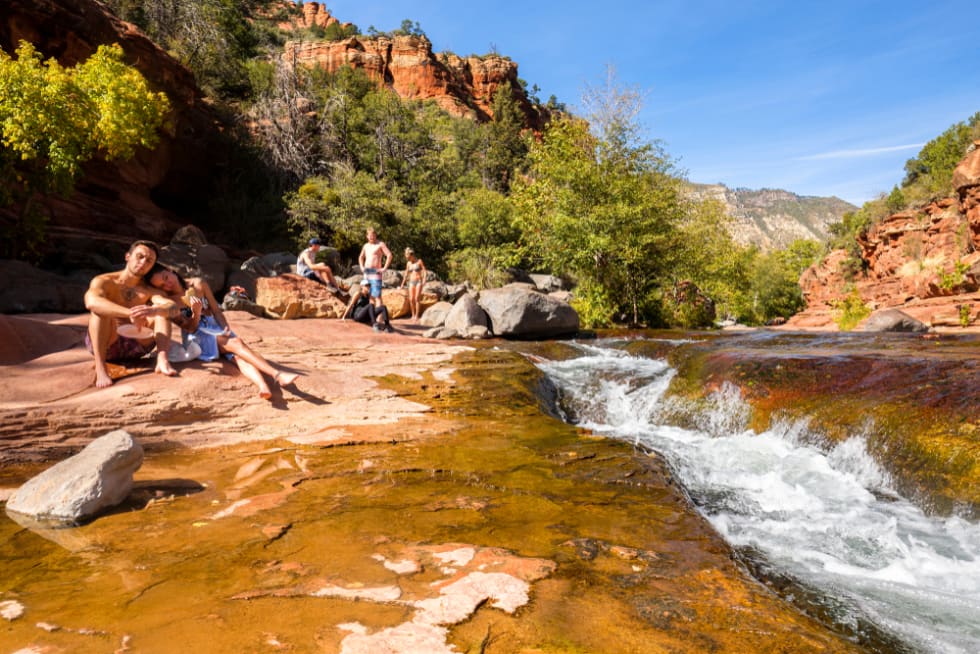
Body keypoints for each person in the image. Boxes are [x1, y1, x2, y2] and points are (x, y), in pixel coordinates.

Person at [146, 263, 299, 400]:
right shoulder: (170, 302)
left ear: (170, 270)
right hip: (197, 335)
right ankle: (277, 375)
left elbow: (216, 310)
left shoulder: (198, 283)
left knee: (238, 356)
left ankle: (263, 386)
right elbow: (190, 328)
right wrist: (196, 312)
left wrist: (226, 327)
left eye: (166, 277)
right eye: (162, 285)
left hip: (215, 328)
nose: (168, 284)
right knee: (237, 343)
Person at [84, 240, 179, 388]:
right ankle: (101, 368)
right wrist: (130, 313)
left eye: (149, 261)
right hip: (108, 345)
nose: (143, 262)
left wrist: (156, 310)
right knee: (99, 313)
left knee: (162, 312)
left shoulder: (149, 289)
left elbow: (172, 307)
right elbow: (91, 302)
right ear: (127, 256)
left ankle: (162, 360)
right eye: (139, 256)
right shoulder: (104, 281)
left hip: (138, 346)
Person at [357, 227, 392, 311]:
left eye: (373, 235)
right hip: (367, 272)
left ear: (375, 235)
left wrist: (384, 268)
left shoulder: (380, 244)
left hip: (376, 272)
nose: (371, 237)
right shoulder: (365, 246)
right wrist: (361, 267)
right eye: (370, 235)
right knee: (370, 295)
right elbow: (361, 257)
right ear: (367, 236)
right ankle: (372, 316)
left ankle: (379, 318)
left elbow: (389, 255)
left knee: (377, 296)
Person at [398, 247, 427, 323]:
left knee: (417, 298)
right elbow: (406, 274)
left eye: (409, 257)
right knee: (411, 299)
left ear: (412, 255)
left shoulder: (419, 261)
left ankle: (417, 316)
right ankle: (413, 315)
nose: (408, 259)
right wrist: (402, 284)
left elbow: (424, 270)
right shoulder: (408, 263)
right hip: (411, 282)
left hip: (418, 281)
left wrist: (424, 279)